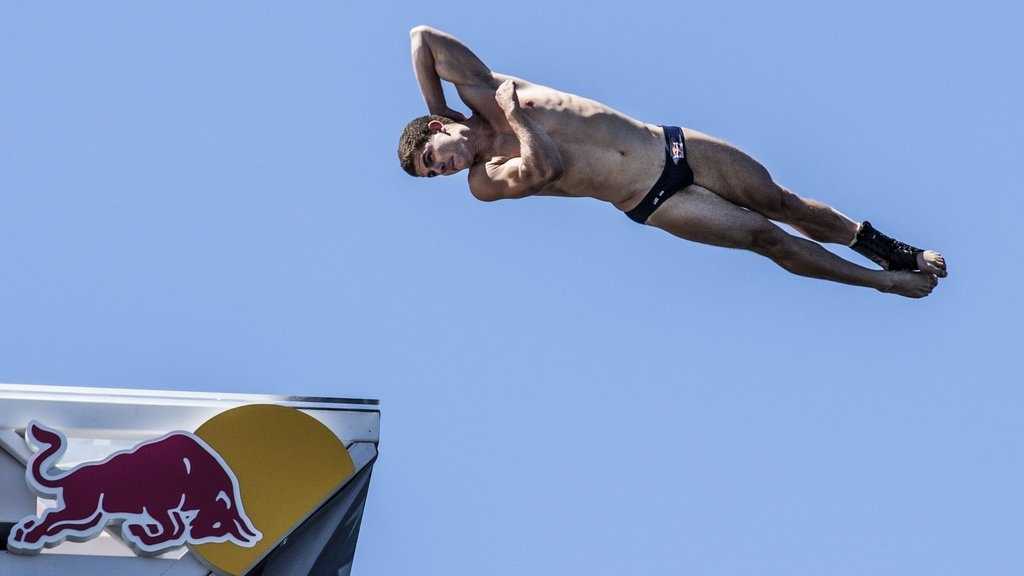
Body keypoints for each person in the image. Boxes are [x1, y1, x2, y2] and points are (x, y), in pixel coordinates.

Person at [398, 26, 947, 298]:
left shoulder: (480, 89)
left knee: (784, 203)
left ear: (439, 131)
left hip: (671, 145)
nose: (439, 171)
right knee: (765, 238)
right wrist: (518, 122)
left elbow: (421, 36)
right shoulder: (484, 181)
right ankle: (886, 285)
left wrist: (438, 106)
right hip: (653, 198)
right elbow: (541, 169)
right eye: (430, 176)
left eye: (430, 157)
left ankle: (888, 250)